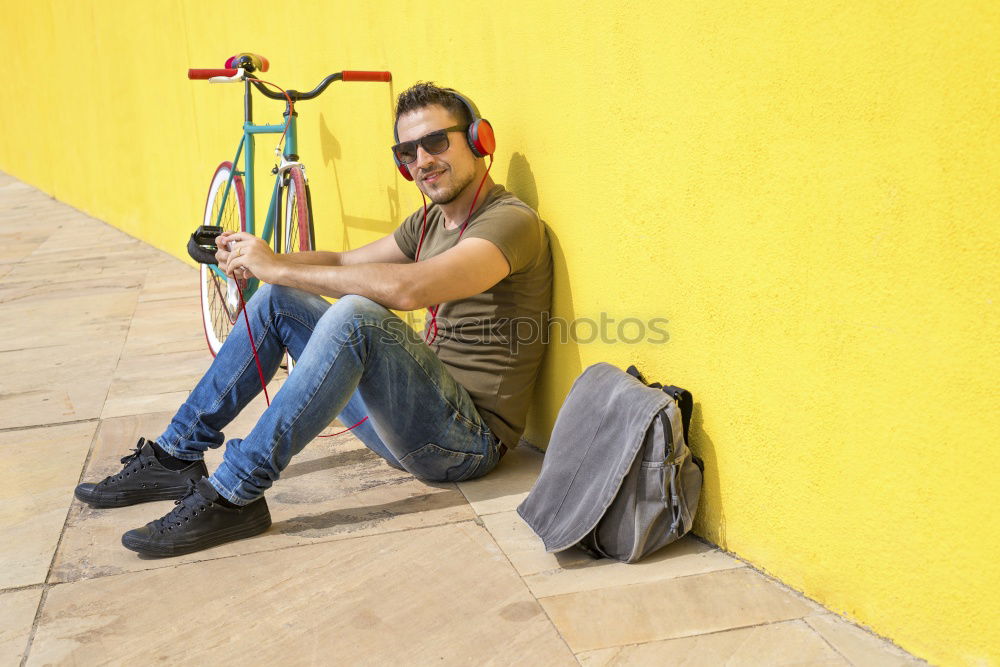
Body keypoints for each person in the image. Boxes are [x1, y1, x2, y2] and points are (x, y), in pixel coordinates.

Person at [73, 82, 553, 557]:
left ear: (477, 140)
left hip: (465, 445)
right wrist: (261, 257)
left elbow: (414, 288)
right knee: (280, 296)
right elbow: (344, 263)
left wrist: (274, 267)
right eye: (408, 151)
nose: (422, 160)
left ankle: (236, 493)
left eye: (435, 142)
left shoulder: (510, 221)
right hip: (409, 424)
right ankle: (176, 454)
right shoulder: (428, 221)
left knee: (357, 317)